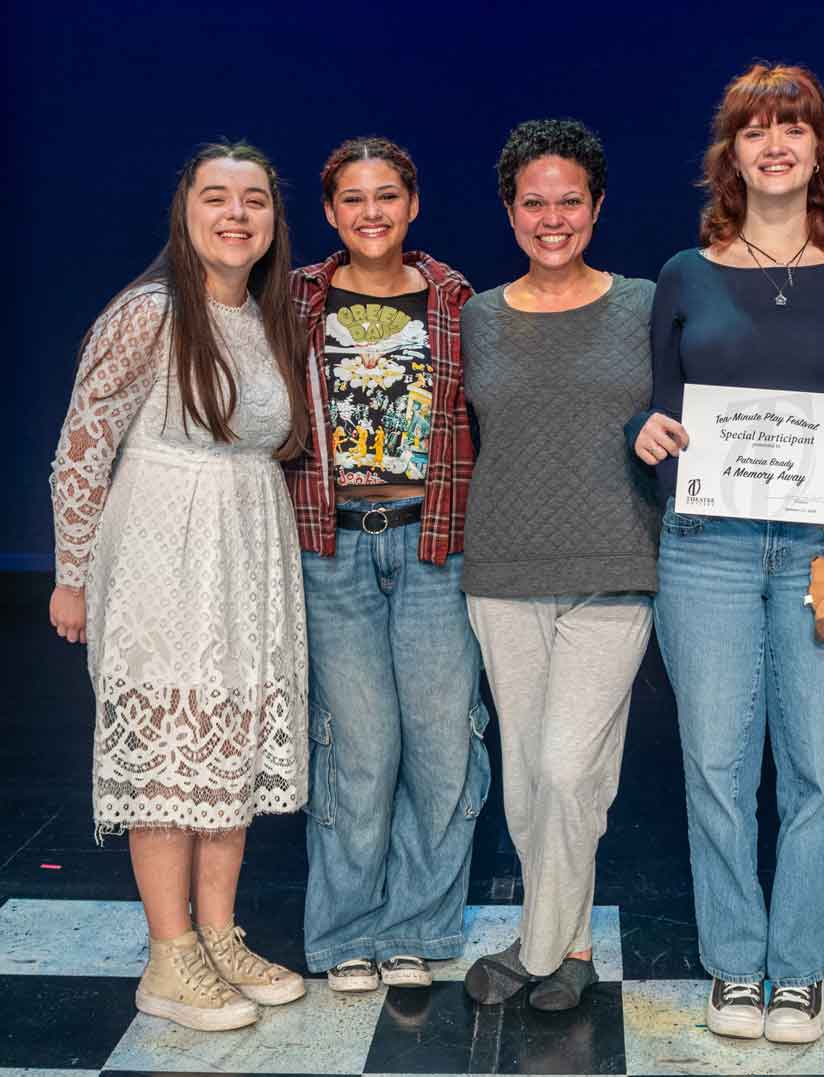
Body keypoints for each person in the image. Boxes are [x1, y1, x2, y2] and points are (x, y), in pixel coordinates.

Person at [630, 63, 824, 1044]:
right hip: (707, 546)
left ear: (819, 148)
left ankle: (799, 970)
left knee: (820, 771)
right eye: (757, 130)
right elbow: (660, 404)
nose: (776, 144)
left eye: (795, 127)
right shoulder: (684, 275)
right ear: (732, 153)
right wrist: (648, 435)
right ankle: (735, 968)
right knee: (713, 763)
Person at [48, 142, 310, 1030]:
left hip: (245, 546)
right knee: (169, 746)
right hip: (164, 545)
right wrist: (72, 576)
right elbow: (81, 448)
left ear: (274, 222)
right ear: (185, 211)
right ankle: (167, 958)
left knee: (226, 742)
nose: (237, 214)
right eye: (216, 197)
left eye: (255, 201)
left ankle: (218, 935)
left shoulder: (268, 316)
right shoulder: (150, 313)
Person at [459, 118, 658, 1012]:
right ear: (509, 213)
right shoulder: (478, 317)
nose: (551, 218)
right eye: (533, 202)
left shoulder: (649, 305)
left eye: (568, 200)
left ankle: (533, 952)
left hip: (617, 565)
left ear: (598, 205)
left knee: (572, 770)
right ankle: (569, 943)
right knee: (528, 779)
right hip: (502, 569)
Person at [284, 137, 489, 993]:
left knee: (443, 741)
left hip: (433, 539)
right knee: (358, 745)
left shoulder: (454, 297)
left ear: (414, 205)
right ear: (331, 213)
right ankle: (343, 931)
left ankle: (420, 925)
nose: (372, 213)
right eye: (353, 199)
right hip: (331, 544)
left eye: (388, 197)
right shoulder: (293, 298)